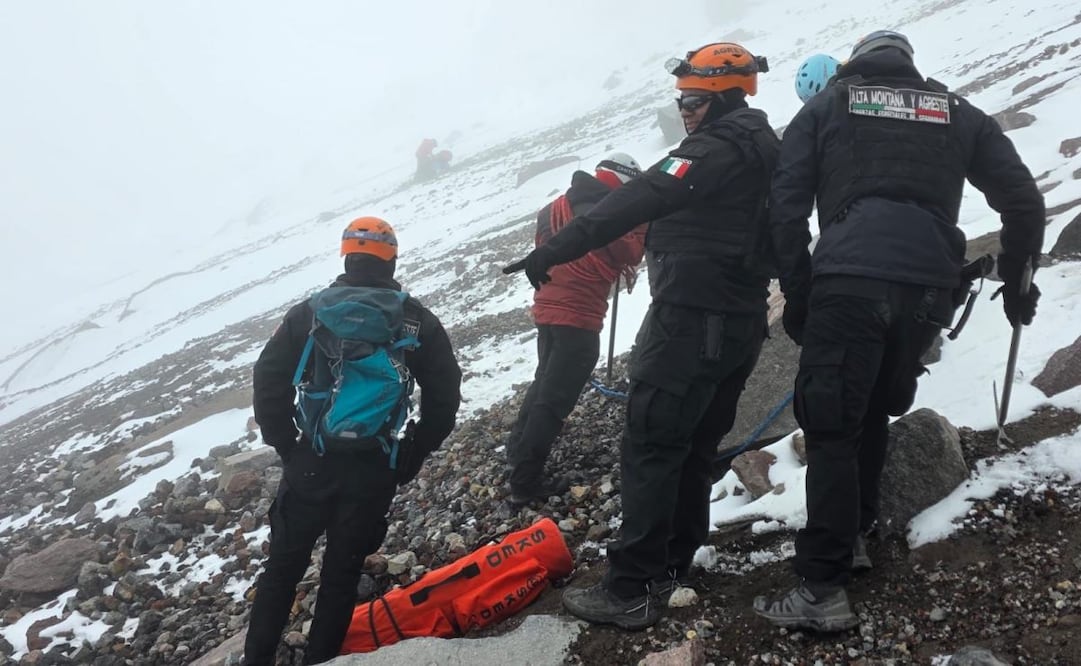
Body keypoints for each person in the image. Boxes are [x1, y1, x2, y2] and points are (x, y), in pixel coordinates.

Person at [755, 30, 1045, 631]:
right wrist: (1018, 279)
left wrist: (801, 292)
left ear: (855, 65)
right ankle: (854, 531)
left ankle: (822, 588)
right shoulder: (956, 111)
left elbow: (784, 207)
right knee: (871, 412)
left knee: (832, 424)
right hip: (929, 288)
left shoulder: (828, 106)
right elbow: (1021, 199)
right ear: (909, 66)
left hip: (849, 280)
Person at [504, 42, 780, 630]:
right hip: (741, 320)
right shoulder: (767, 150)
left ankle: (630, 587)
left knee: (652, 444)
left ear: (719, 96)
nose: (682, 109)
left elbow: (641, 198)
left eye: (689, 98)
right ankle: (675, 566)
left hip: (690, 322)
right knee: (696, 444)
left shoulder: (710, 151)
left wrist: (554, 249)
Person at [245, 216, 462, 665]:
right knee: (341, 575)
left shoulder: (309, 314)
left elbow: (268, 379)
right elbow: (445, 394)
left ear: (347, 256)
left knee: (282, 570)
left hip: (312, 461)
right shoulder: (415, 319)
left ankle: (256, 660)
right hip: (374, 464)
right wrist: (413, 452)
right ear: (392, 260)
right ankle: (321, 659)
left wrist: (289, 446)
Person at [506, 152, 647, 506]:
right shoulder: (609, 212)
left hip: (547, 305)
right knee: (555, 398)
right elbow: (629, 252)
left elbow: (548, 249)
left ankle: (517, 450)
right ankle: (525, 479)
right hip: (579, 313)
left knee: (544, 381)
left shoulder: (553, 207)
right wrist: (642, 220)